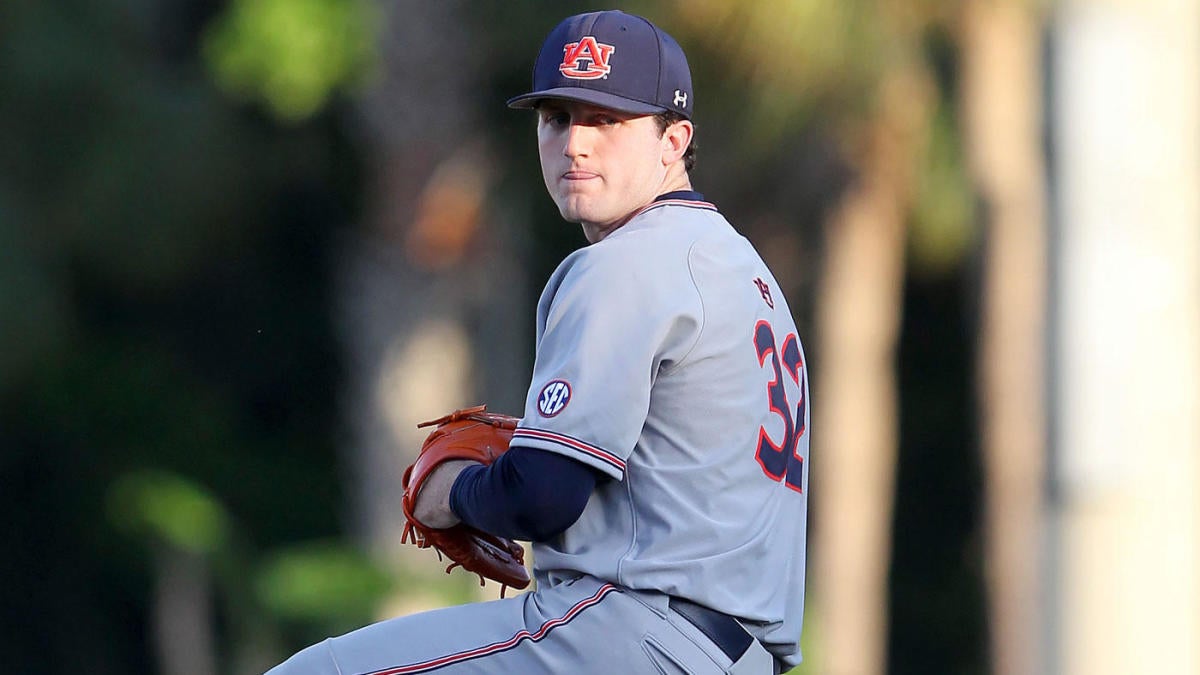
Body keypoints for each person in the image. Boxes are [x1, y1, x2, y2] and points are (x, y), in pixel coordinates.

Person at [268, 10, 809, 675]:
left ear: (674, 140)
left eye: (607, 119)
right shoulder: (746, 273)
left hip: (627, 634)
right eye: (557, 118)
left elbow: (542, 495)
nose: (576, 143)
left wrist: (453, 490)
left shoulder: (625, 263)